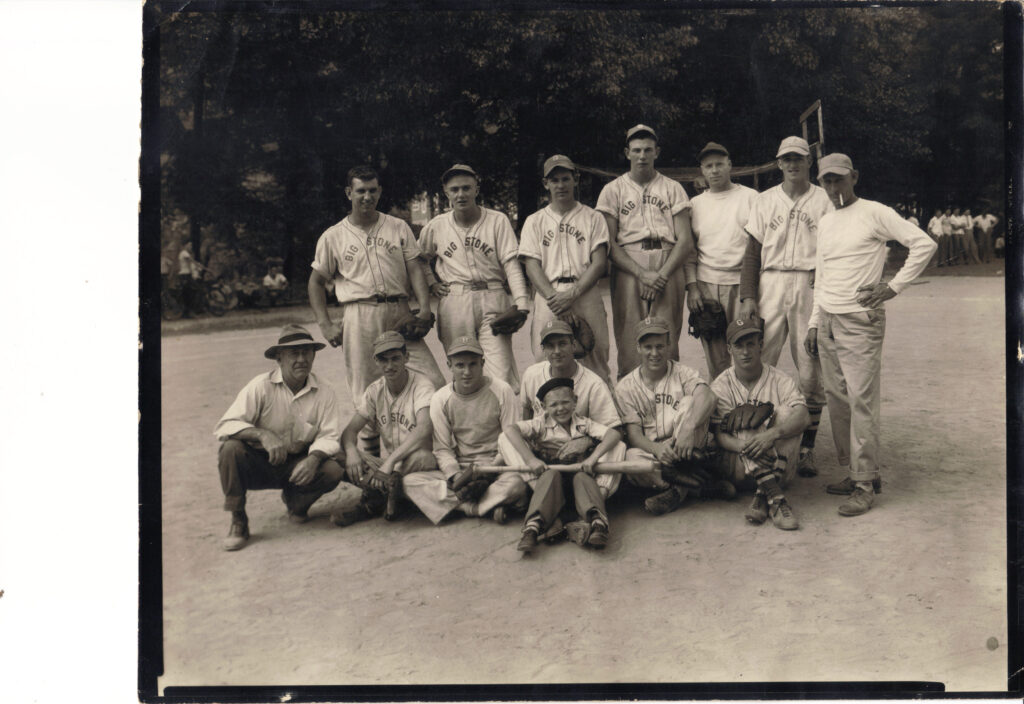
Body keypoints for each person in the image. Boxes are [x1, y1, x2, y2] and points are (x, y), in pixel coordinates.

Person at [804, 153, 936, 517]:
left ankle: (864, 486)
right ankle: (858, 472)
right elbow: (822, 275)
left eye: (839, 180)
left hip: (861, 319)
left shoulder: (875, 212)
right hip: (829, 317)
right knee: (837, 398)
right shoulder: (827, 221)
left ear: (854, 177)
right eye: (827, 181)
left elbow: (924, 244)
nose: (833, 187)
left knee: (861, 400)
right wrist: (815, 321)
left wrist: (892, 288)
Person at [307, 165, 445, 408]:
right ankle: (370, 446)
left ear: (380, 191)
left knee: (433, 382)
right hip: (359, 314)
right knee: (366, 389)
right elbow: (316, 282)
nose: (367, 197)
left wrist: (424, 308)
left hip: (399, 311)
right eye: (361, 191)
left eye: (372, 190)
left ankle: (426, 442)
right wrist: (325, 324)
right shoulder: (334, 236)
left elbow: (415, 268)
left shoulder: (398, 227)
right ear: (349, 193)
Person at [738, 136, 831, 479]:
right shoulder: (764, 201)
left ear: (809, 162)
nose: (792, 164)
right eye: (786, 159)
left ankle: (806, 448)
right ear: (778, 163)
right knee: (761, 363)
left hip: (809, 283)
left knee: (810, 369)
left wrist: (825, 282)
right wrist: (748, 295)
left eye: (798, 158)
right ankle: (758, 439)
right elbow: (751, 253)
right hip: (772, 282)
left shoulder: (824, 200)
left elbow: (834, 248)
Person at [213, 325, 346, 551]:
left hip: (297, 465)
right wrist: (261, 434)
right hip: (261, 463)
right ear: (279, 358)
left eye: (307, 352)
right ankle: (238, 520)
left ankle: (297, 503)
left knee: (333, 469)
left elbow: (330, 436)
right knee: (230, 449)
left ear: (314, 356)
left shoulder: (325, 391)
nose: (301, 359)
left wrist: (313, 459)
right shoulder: (260, 386)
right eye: (294, 353)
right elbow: (225, 425)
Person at [419, 164, 531, 389]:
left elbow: (511, 263)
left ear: (477, 189)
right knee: (463, 371)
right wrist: (431, 283)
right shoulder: (437, 226)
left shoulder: (497, 220)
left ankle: (502, 423)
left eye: (466, 188)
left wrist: (521, 303)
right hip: (455, 300)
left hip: (493, 295)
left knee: (500, 373)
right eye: (455, 189)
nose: (461, 194)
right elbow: (419, 259)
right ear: (446, 192)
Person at [596, 124, 694, 378]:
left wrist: (660, 275)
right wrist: (642, 274)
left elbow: (685, 241)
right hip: (629, 263)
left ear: (656, 152)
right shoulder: (612, 190)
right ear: (627, 152)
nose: (642, 156)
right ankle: (631, 402)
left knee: (665, 336)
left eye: (647, 150)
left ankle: (670, 398)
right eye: (636, 150)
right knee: (630, 337)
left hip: (667, 261)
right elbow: (608, 243)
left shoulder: (672, 188)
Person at [401, 336, 528, 524]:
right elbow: (442, 448)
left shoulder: (502, 390)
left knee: (517, 484)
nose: (467, 372)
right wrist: (456, 475)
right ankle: (477, 508)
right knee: (410, 482)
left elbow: (511, 439)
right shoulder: (441, 398)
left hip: (498, 466)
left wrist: (489, 471)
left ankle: (462, 506)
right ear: (449, 365)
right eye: (460, 365)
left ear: (482, 363)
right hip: (463, 467)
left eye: (473, 364)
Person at [498, 378, 626, 554]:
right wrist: (531, 460)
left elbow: (613, 434)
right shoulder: (540, 423)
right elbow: (511, 430)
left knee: (618, 446)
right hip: (548, 480)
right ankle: (532, 528)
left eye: (565, 402)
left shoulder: (583, 423)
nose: (560, 408)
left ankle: (597, 522)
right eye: (553, 405)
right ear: (543, 407)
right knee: (505, 439)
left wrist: (592, 458)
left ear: (575, 401)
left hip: (582, 479)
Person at [614, 317, 725, 516]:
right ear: (638, 348)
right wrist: (656, 449)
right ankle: (696, 486)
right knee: (630, 458)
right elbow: (634, 436)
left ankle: (675, 491)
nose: (654, 353)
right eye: (648, 347)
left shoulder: (683, 373)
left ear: (669, 345)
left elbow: (708, 396)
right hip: (655, 453)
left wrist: (688, 429)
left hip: (687, 445)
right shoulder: (625, 387)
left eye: (659, 346)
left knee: (692, 403)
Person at [519, 154, 613, 384]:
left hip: (585, 291)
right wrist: (555, 299)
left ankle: (603, 412)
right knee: (545, 358)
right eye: (554, 180)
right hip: (548, 295)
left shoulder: (593, 217)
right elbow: (531, 264)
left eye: (565, 178)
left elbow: (599, 262)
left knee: (596, 354)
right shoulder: (534, 221)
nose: (560, 185)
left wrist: (571, 295)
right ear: (546, 184)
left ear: (575, 179)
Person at [330, 332, 438, 527]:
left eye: (395, 358)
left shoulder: (422, 385)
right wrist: (352, 451)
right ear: (376, 361)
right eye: (383, 360)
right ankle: (390, 492)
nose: (390, 366)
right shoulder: (374, 390)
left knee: (422, 457)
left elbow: (424, 428)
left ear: (406, 357)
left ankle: (374, 500)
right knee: (337, 453)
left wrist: (390, 462)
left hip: (415, 462)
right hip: (390, 468)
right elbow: (350, 431)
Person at [710, 318, 809, 530]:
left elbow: (803, 416)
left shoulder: (780, 379)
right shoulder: (720, 385)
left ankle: (764, 493)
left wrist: (771, 435)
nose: (745, 351)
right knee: (743, 420)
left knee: (786, 413)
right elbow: (719, 435)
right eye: (739, 345)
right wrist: (749, 446)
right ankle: (776, 498)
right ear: (729, 349)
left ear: (761, 345)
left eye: (750, 344)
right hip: (738, 469)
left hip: (779, 466)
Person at [520, 319, 625, 501]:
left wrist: (586, 442)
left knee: (619, 447)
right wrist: (531, 446)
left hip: (581, 459)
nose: (557, 351)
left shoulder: (593, 383)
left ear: (573, 345)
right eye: (550, 346)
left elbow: (615, 430)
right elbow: (526, 412)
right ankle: (544, 494)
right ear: (543, 350)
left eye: (562, 344)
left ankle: (595, 497)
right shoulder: (531, 374)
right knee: (508, 440)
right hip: (543, 457)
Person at [684, 142, 759, 380]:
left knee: (746, 348)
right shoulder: (695, 204)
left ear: (730, 165)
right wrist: (692, 287)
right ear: (702, 171)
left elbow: (759, 247)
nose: (714, 170)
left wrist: (750, 294)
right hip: (708, 284)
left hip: (742, 282)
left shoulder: (751, 197)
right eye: (708, 166)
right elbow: (689, 251)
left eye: (719, 164)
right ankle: (724, 410)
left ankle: (750, 407)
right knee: (716, 355)